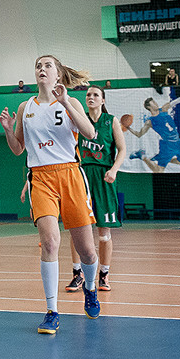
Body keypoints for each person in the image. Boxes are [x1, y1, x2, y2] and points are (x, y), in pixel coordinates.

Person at [0, 54, 102, 335]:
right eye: (38, 66)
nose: (41, 69)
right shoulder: (25, 107)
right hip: (40, 177)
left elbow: (91, 133)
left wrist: (66, 102)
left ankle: (90, 288)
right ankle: (52, 311)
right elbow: (18, 149)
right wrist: (8, 130)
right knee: (49, 242)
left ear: (58, 74)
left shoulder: (71, 103)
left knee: (87, 251)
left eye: (48, 65)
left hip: (70, 175)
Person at [68, 85, 127, 293]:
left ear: (103, 100)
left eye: (95, 95)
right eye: (88, 95)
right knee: (77, 228)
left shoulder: (111, 121)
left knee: (104, 231)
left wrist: (114, 169)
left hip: (104, 176)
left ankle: (104, 274)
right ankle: (77, 273)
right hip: (82, 175)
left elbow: (122, 149)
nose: (90, 97)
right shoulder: (79, 119)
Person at [126, 92, 180, 172]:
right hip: (167, 145)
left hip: (178, 142)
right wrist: (129, 128)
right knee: (159, 171)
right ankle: (142, 156)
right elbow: (139, 134)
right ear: (149, 107)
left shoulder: (164, 109)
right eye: (153, 103)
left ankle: (161, 158)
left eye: (155, 102)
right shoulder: (150, 121)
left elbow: (176, 101)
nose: (156, 104)